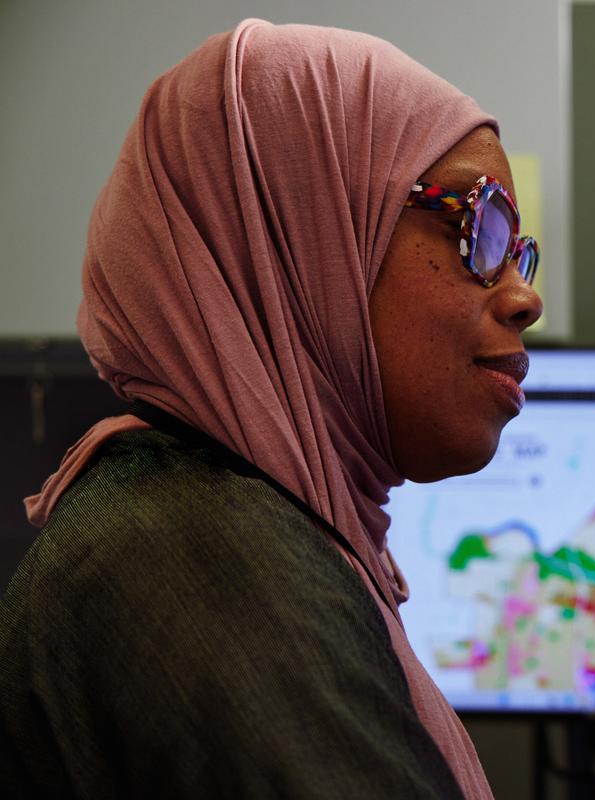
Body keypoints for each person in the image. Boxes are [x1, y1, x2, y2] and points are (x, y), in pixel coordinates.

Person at [0, 18, 541, 799]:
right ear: (300, 236)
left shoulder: (231, 525)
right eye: (481, 226)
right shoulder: (197, 560)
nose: (526, 297)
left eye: (518, 250)